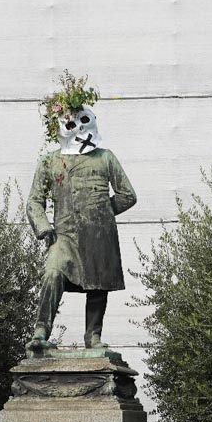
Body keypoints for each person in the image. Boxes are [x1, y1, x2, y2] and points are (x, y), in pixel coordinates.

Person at [26, 90, 136, 351]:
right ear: (60, 128)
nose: (77, 128)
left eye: (82, 120)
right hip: (63, 235)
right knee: (52, 273)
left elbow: (127, 195)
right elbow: (34, 201)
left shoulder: (105, 157)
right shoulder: (49, 161)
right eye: (70, 123)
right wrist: (43, 227)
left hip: (99, 233)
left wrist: (102, 212)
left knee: (99, 283)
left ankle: (93, 336)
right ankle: (40, 332)